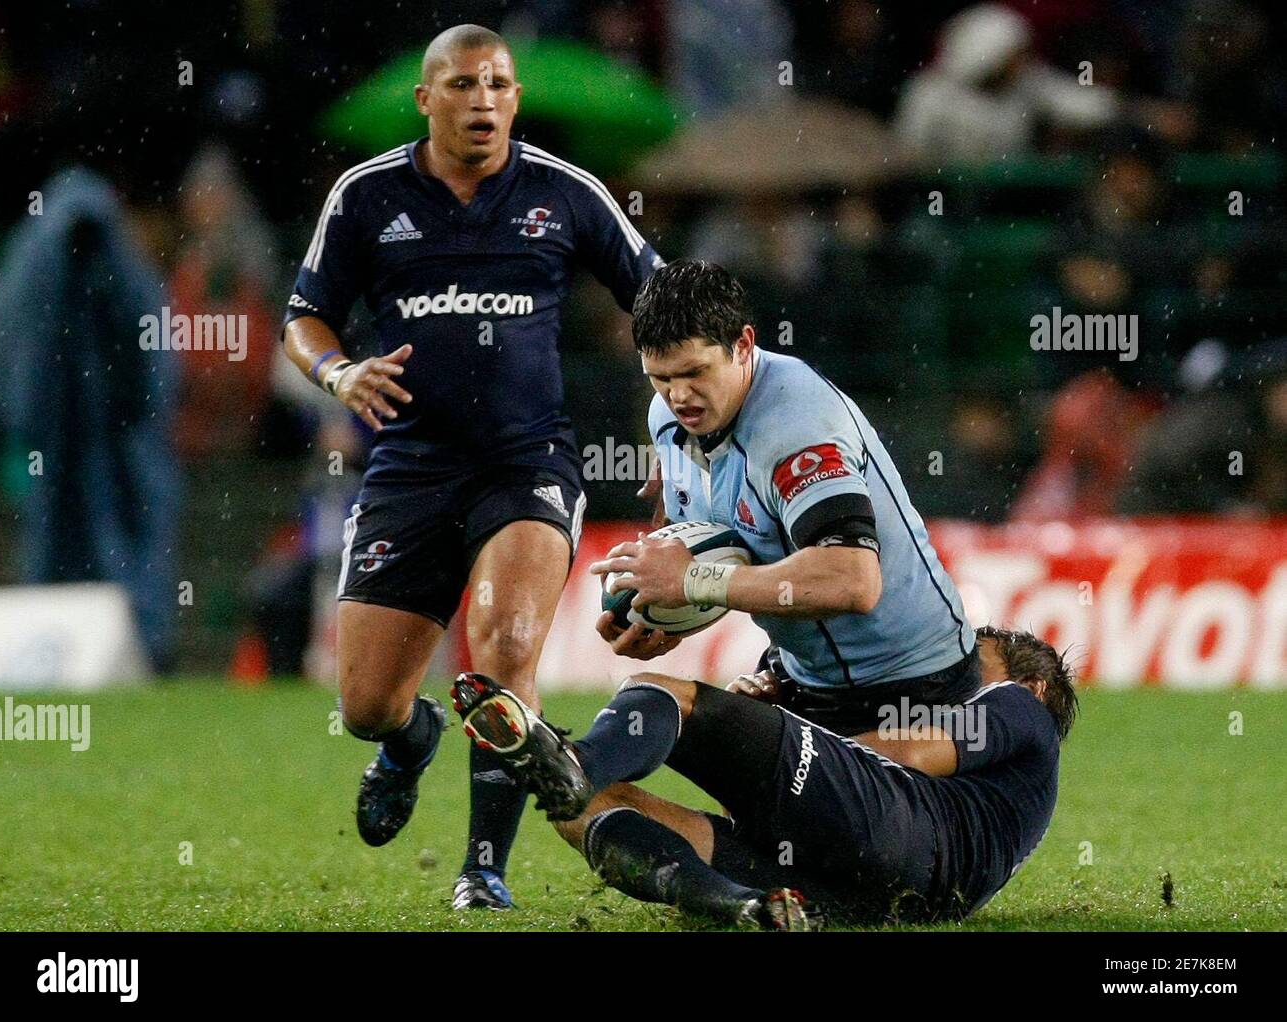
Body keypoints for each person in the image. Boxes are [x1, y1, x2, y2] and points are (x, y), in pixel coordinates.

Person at [280, 24, 662, 910]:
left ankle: (482, 868)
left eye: (497, 84)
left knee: (505, 652)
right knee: (368, 703)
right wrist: (338, 370)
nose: (482, 99)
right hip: (409, 469)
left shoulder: (565, 193)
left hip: (526, 465)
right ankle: (410, 742)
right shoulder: (367, 195)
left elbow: (658, 294)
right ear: (427, 100)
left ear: (515, 99)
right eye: (461, 84)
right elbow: (304, 315)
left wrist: (673, 415)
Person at [449, 625, 1077, 929]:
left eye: (969, 670)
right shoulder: (1017, 799)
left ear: (1032, 682)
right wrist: (779, 726)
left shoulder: (1024, 706)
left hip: (898, 827)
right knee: (580, 809)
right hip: (891, 900)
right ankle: (738, 903)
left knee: (661, 692)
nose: (952, 680)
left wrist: (772, 725)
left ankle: (575, 762)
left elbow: (911, 752)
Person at [593, 259, 979, 735]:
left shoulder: (797, 428)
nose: (678, 396)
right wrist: (668, 616)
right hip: (802, 677)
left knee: (682, 731)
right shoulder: (671, 419)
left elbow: (853, 580)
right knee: (646, 706)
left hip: (914, 689)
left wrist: (691, 581)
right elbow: (732, 558)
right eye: (660, 377)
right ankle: (570, 786)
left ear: (743, 346)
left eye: (694, 371)